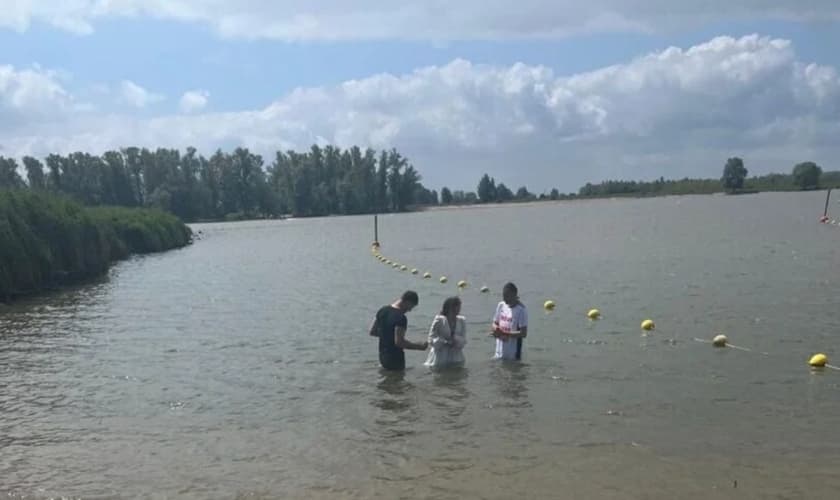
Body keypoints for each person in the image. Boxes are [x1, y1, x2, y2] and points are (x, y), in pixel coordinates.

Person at [369, 290, 428, 370]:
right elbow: (399, 342)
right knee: (398, 380)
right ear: (407, 302)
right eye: (411, 307)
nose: (409, 310)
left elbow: (372, 331)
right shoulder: (401, 318)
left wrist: (387, 335)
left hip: (382, 355)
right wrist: (419, 346)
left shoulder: (382, 310)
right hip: (395, 358)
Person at [424, 296, 467, 368]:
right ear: (450, 307)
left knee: (458, 376)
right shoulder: (439, 319)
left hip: (456, 355)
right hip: (440, 355)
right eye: (457, 306)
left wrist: (456, 341)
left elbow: (464, 338)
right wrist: (444, 342)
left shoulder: (462, 320)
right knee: (439, 375)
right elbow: (430, 339)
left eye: (460, 306)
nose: (459, 309)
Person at [489, 282, 528, 360]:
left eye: (507, 296)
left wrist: (504, 333)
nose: (504, 299)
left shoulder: (521, 310)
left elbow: (523, 334)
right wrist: (495, 329)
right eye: (503, 295)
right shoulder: (501, 305)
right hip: (498, 354)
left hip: (513, 357)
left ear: (514, 295)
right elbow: (494, 323)